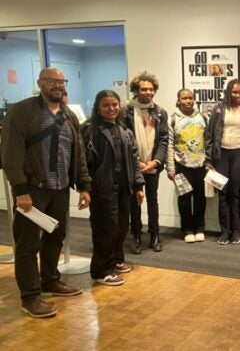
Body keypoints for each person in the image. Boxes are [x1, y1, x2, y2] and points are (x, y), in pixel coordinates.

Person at [1, 67, 91, 318]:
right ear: (40, 83)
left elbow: (79, 152)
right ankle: (30, 297)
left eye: (62, 81)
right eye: (52, 81)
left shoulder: (69, 115)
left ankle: (50, 281)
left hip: (60, 188)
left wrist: (84, 185)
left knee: (55, 238)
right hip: (32, 190)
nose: (58, 85)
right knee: (28, 245)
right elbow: (10, 152)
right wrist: (20, 189)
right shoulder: (21, 111)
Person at [82, 90, 145, 286]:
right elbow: (83, 161)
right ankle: (101, 271)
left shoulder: (125, 131)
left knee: (121, 227)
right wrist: (85, 187)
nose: (111, 109)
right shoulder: (89, 131)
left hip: (124, 188)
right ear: (98, 108)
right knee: (105, 229)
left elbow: (134, 161)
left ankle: (116, 260)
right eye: (106, 105)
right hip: (102, 188)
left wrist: (139, 185)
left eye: (115, 105)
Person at [204, 79, 240, 245]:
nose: (238, 95)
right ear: (228, 92)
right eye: (234, 92)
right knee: (223, 193)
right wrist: (208, 159)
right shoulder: (219, 109)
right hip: (221, 155)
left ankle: (236, 231)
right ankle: (224, 231)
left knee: (236, 192)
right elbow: (209, 135)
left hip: (239, 154)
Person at [123, 71, 169, 254]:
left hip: (152, 166)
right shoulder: (125, 110)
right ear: (136, 90)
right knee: (134, 200)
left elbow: (164, 139)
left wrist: (156, 162)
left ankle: (155, 234)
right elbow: (124, 140)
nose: (148, 93)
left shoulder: (160, 112)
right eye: (144, 89)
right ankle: (135, 235)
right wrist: (136, 163)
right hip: (132, 165)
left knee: (153, 200)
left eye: (151, 89)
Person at [167, 89, 209, 243]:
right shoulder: (172, 120)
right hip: (182, 165)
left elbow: (208, 141)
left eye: (190, 98)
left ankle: (199, 228)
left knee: (200, 198)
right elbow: (170, 145)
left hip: (200, 165)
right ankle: (187, 229)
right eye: (184, 98)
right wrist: (171, 168)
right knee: (184, 199)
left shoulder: (203, 117)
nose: (188, 101)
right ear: (179, 100)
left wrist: (209, 162)